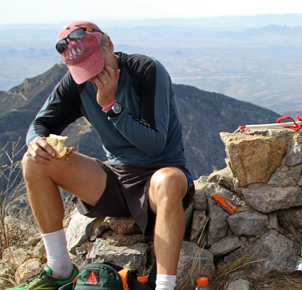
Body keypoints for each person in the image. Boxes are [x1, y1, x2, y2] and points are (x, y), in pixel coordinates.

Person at [14, 21, 194, 290]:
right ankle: (59, 267)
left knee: (167, 180)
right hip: (112, 177)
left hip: (159, 176)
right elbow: (41, 124)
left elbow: (155, 145)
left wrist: (112, 106)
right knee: (34, 160)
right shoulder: (76, 83)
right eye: (83, 70)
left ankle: (164, 286)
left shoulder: (145, 69)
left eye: (96, 65)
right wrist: (36, 142)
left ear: (109, 45)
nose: (92, 75)